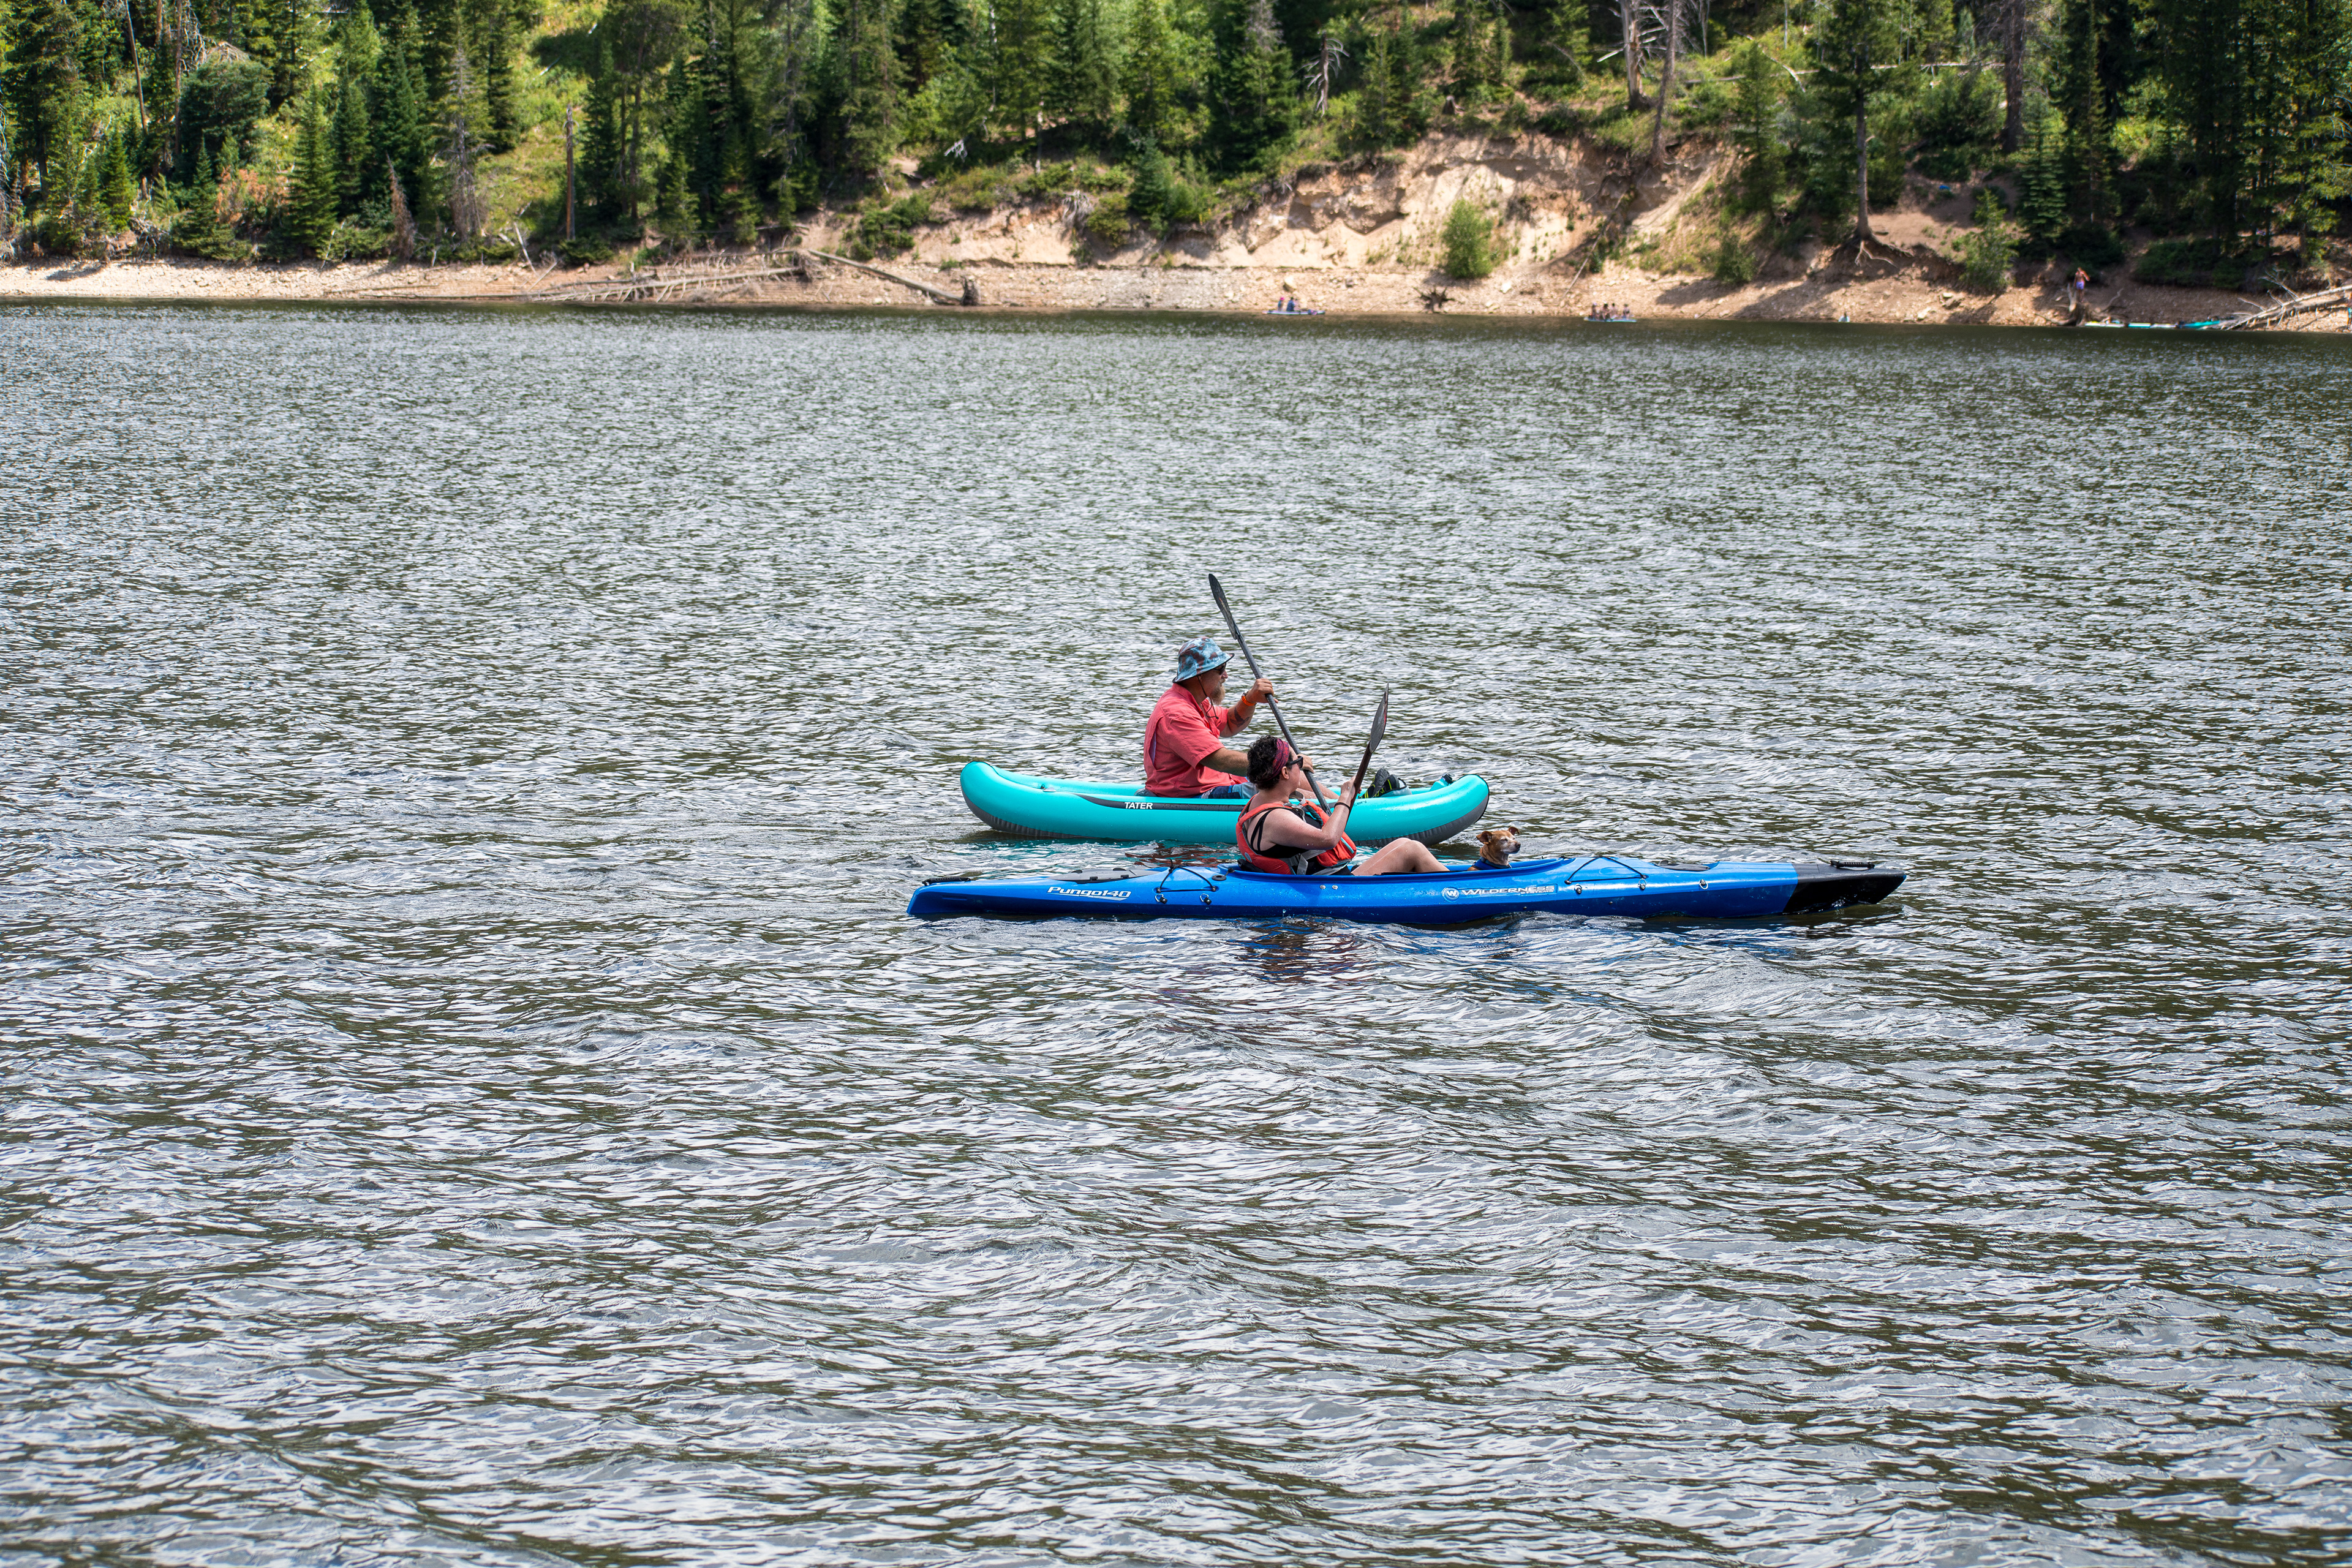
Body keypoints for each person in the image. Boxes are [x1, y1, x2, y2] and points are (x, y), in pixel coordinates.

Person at [1235, 736, 1445, 876]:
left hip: (1323, 879)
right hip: (1330, 886)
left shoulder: (1257, 802)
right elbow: (1328, 839)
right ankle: (1465, 890)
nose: (1302, 766)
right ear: (1285, 773)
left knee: (1404, 845)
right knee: (1411, 848)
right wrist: (1345, 797)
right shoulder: (1277, 818)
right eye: (1298, 762)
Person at [1144, 636, 1276, 797]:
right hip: (1192, 795)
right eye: (1220, 669)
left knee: (1290, 775)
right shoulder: (1177, 713)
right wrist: (1277, 762)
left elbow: (1228, 724)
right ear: (1199, 675)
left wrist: (1250, 700)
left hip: (1217, 783)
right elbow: (1220, 760)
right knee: (1278, 782)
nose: (1225, 675)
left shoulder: (1197, 702)